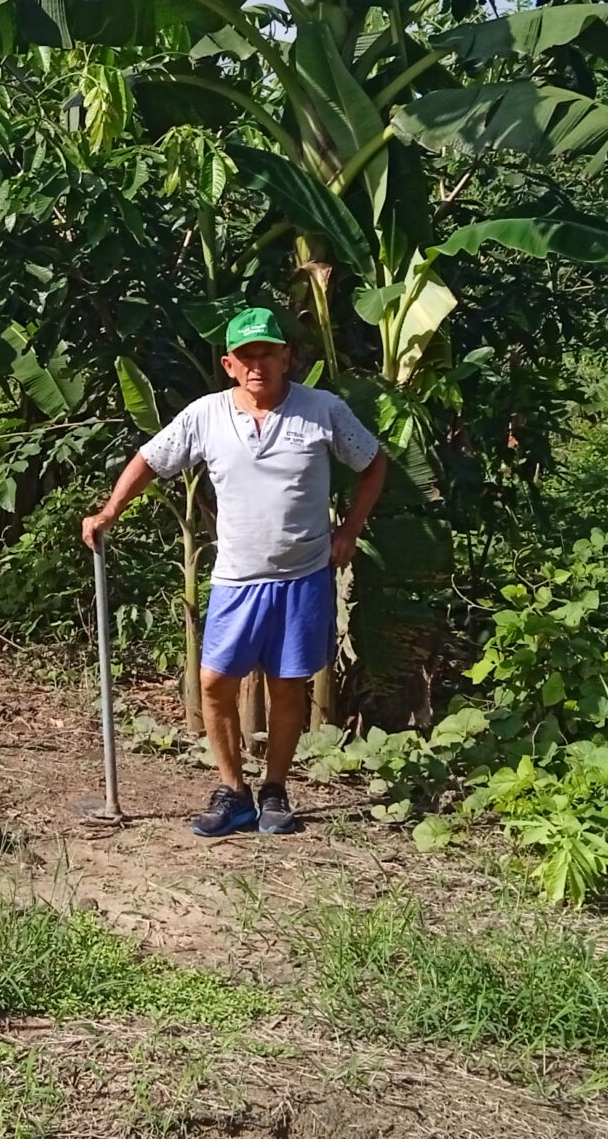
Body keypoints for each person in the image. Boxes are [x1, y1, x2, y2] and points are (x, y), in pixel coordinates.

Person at [81, 307, 387, 837]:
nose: (257, 365)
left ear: (286, 357)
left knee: (287, 687)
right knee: (215, 682)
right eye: (246, 356)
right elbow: (150, 459)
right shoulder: (206, 415)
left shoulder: (323, 409)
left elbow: (374, 462)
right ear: (229, 364)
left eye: (267, 353)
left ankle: (275, 791)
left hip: (303, 574)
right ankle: (234, 792)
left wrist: (351, 529)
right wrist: (110, 511)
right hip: (236, 579)